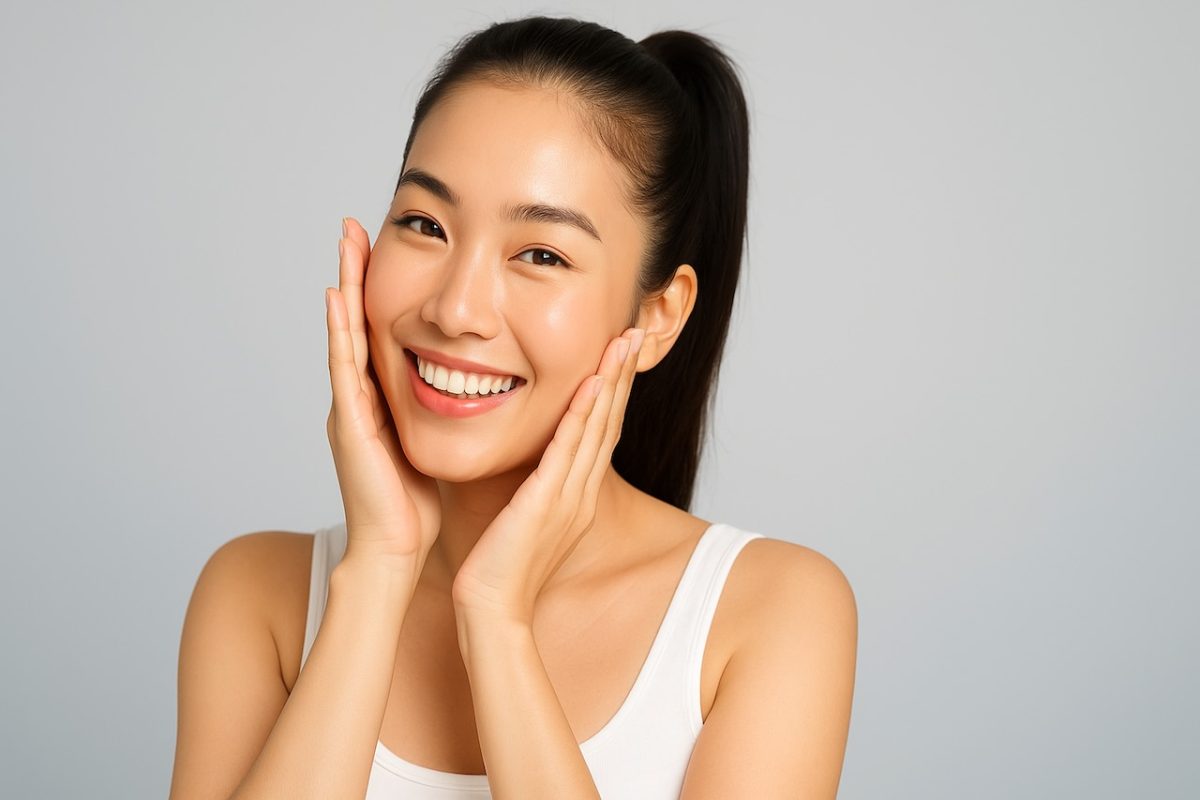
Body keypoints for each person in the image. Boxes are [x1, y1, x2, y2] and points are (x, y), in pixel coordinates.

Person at [170, 14, 857, 800]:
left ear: (657, 316)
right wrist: (377, 577)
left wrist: (497, 622)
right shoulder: (256, 594)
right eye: (424, 224)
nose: (457, 309)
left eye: (541, 255)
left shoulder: (765, 613)